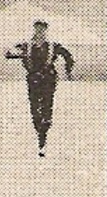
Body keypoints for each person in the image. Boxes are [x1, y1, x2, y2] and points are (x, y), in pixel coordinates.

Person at [5, 19, 75, 156]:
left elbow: (68, 56)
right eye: (37, 29)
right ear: (34, 30)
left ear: (45, 31)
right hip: (33, 80)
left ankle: (43, 137)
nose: (40, 32)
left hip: (48, 80)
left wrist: (68, 70)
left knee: (47, 106)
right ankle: (39, 133)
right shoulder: (27, 46)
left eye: (42, 30)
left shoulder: (52, 46)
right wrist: (18, 54)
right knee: (35, 108)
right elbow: (9, 53)